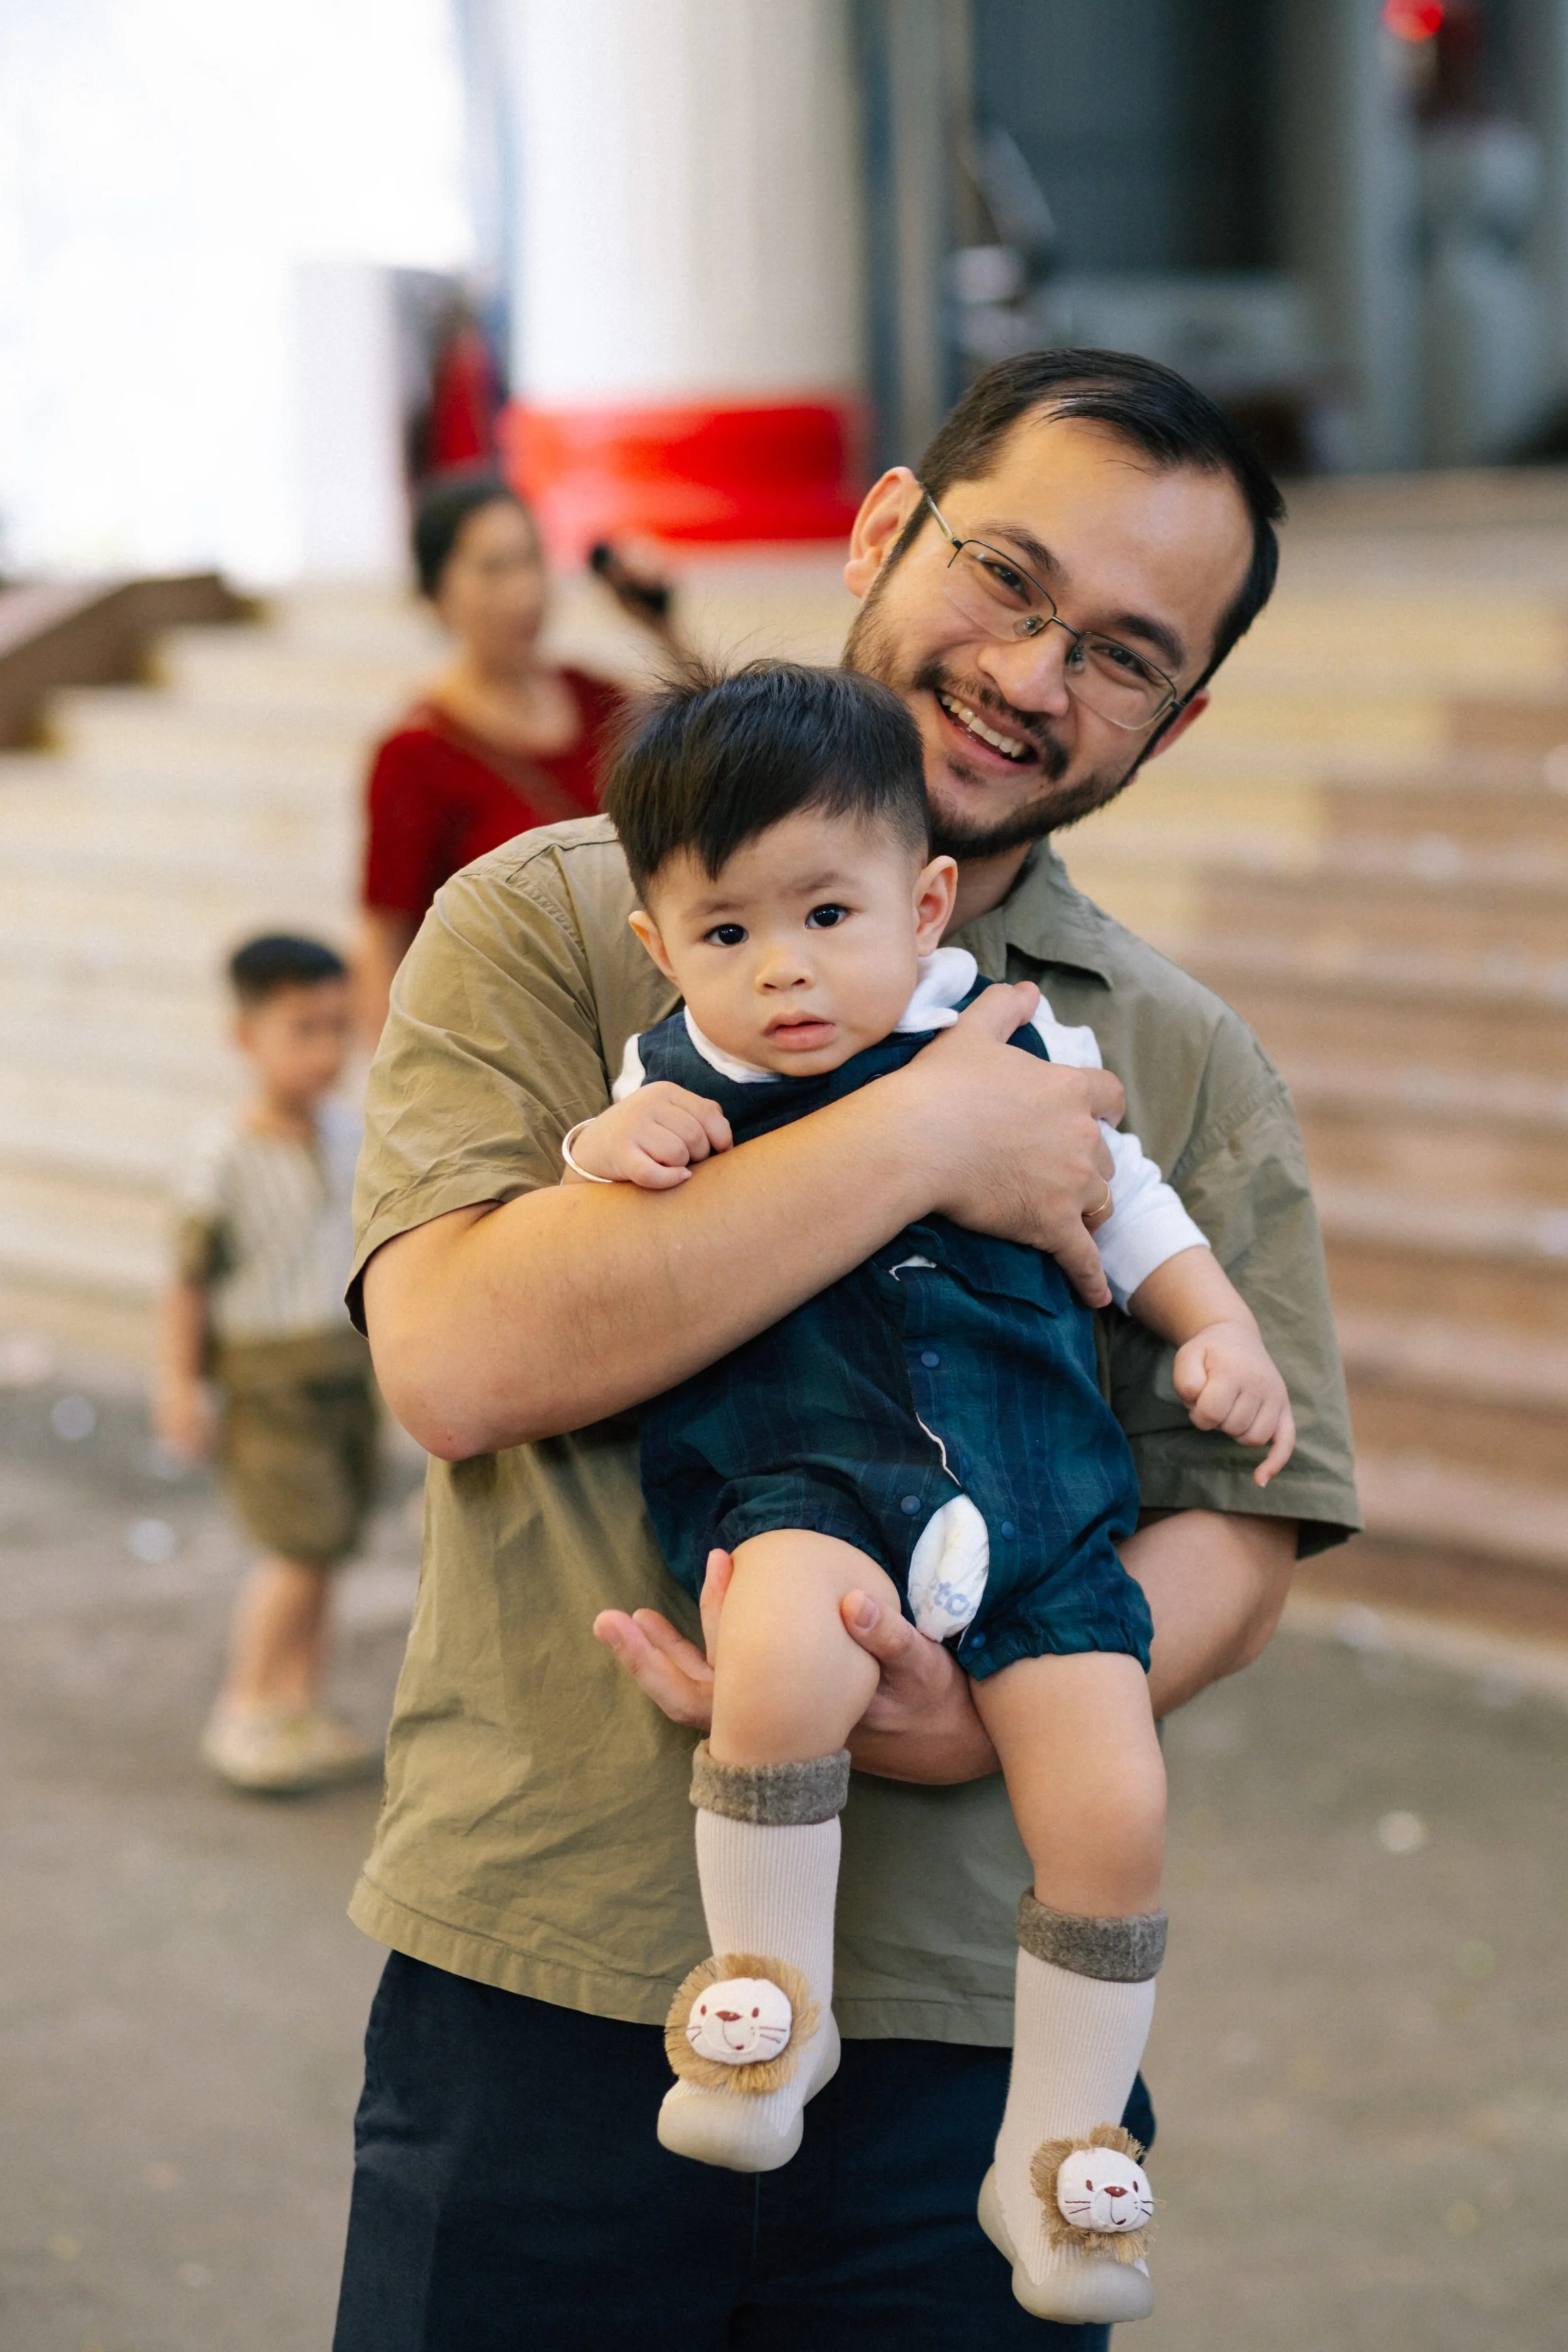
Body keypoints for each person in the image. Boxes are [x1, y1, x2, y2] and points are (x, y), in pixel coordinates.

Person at [334, 350, 1360, 2352]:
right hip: (544, 1978)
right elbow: (453, 1352)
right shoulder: (562, 925)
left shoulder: (1177, 1058)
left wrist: (982, 1705)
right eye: (1002, 574)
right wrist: (921, 1130)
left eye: (1123, 653)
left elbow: (1245, 1526)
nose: (1032, 670)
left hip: (977, 2031)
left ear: (1181, 714)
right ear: (881, 527)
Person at [564, 659, 1295, 2323]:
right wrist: (607, 1153)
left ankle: (1056, 2143)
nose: (786, 967)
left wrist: (1219, 1328)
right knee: (782, 1661)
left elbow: (1136, 1210)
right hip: (811, 1475)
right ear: (660, 946)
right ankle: (769, 1991)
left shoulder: (1029, 1035)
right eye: (728, 931)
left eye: (827, 910)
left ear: (925, 897)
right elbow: (601, 1225)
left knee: (1110, 1807)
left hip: (1039, 1512)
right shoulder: (676, 1082)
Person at [156, 935, 378, 1794]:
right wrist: (179, 1385)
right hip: (267, 1378)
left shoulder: (351, 1134)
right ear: (244, 1036)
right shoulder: (219, 1156)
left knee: (329, 1546)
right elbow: (184, 1284)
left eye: (338, 1026)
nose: (326, 1050)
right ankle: (244, 1708)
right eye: (302, 1029)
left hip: (345, 1371)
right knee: (294, 1548)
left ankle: (299, 1704)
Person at [354, 470, 677, 1042]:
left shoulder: (598, 700)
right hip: (515, 1044)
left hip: (648, 1018)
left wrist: (662, 630)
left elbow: (718, 759)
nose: (524, 591)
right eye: (493, 568)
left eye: (531, 560)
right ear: (436, 593)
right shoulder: (415, 755)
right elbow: (385, 937)